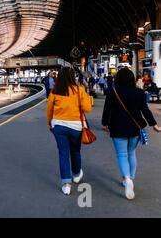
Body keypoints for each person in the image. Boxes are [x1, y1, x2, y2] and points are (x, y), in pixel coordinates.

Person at [102, 68, 161, 200]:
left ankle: (126, 178)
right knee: (131, 153)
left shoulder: (113, 91)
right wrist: (154, 125)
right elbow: (145, 111)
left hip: (117, 128)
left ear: (118, 79)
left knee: (122, 154)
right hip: (134, 128)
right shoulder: (139, 93)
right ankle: (131, 179)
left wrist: (104, 123)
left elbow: (107, 109)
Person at [47, 67, 93, 195]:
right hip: (76, 126)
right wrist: (86, 96)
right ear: (73, 77)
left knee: (63, 153)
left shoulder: (55, 91)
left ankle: (66, 184)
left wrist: (49, 124)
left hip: (59, 127)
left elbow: (49, 110)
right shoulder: (79, 90)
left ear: (59, 77)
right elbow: (88, 109)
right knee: (75, 151)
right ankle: (77, 174)